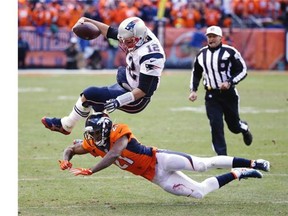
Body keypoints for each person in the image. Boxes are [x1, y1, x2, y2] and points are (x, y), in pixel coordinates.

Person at [59, 112, 270, 199]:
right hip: (154, 176)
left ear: (105, 129)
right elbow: (70, 148)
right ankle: (238, 173)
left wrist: (92, 170)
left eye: (96, 133)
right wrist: (65, 160)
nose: (93, 138)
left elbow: (115, 154)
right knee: (199, 193)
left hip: (159, 158)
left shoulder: (118, 132)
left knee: (202, 165)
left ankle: (253, 162)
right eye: (92, 134)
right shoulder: (92, 143)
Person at [42, 16, 166, 135]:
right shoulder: (138, 33)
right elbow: (110, 32)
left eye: (127, 41)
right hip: (128, 79)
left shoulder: (152, 57)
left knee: (90, 94)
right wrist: (87, 20)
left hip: (137, 98)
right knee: (98, 104)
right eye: (123, 40)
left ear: (139, 38)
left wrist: (119, 101)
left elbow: (144, 90)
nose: (124, 44)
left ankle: (66, 125)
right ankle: (100, 138)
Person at [188, 25, 252, 156]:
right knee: (215, 124)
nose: (211, 39)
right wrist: (193, 90)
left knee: (234, 127)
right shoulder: (201, 54)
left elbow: (242, 70)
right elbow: (196, 73)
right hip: (211, 94)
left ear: (220, 38)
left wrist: (230, 82)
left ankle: (244, 128)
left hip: (229, 94)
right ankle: (221, 156)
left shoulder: (230, 52)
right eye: (209, 37)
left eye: (214, 37)